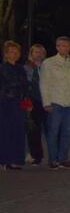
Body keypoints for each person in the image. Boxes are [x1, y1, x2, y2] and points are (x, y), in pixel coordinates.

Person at [40, 36, 70, 169]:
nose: (65, 48)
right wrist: (46, 102)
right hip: (55, 102)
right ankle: (52, 159)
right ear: (57, 47)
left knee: (68, 133)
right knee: (53, 132)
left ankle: (63, 158)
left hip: (69, 103)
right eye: (62, 45)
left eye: (67, 46)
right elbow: (44, 83)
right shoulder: (49, 62)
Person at [1, 41, 32, 170]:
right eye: (11, 52)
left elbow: (25, 87)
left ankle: (15, 160)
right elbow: (7, 86)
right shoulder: (2, 68)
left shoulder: (21, 69)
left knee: (18, 132)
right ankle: (5, 161)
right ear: (6, 54)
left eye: (16, 52)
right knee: (6, 132)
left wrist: (27, 103)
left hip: (19, 104)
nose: (14, 55)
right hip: (6, 103)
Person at [24, 43, 46, 167]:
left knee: (43, 131)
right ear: (31, 54)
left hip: (45, 101)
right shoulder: (26, 67)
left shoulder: (46, 66)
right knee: (32, 130)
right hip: (32, 102)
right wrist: (27, 103)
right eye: (36, 52)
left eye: (41, 52)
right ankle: (35, 155)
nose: (38, 54)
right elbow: (25, 87)